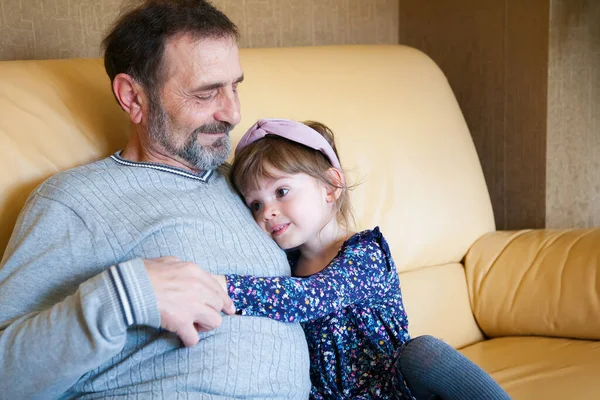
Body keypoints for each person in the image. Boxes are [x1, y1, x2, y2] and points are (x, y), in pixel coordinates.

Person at [0, 1, 311, 398]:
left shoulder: (251, 187)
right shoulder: (75, 202)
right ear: (133, 97)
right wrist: (123, 297)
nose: (232, 112)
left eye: (235, 86)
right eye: (206, 93)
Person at [213, 118, 512, 399]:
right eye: (254, 204)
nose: (267, 212)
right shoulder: (283, 266)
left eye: (282, 191)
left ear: (331, 187)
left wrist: (218, 288)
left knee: (422, 352)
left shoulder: (365, 254)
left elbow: (309, 297)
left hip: (394, 389)